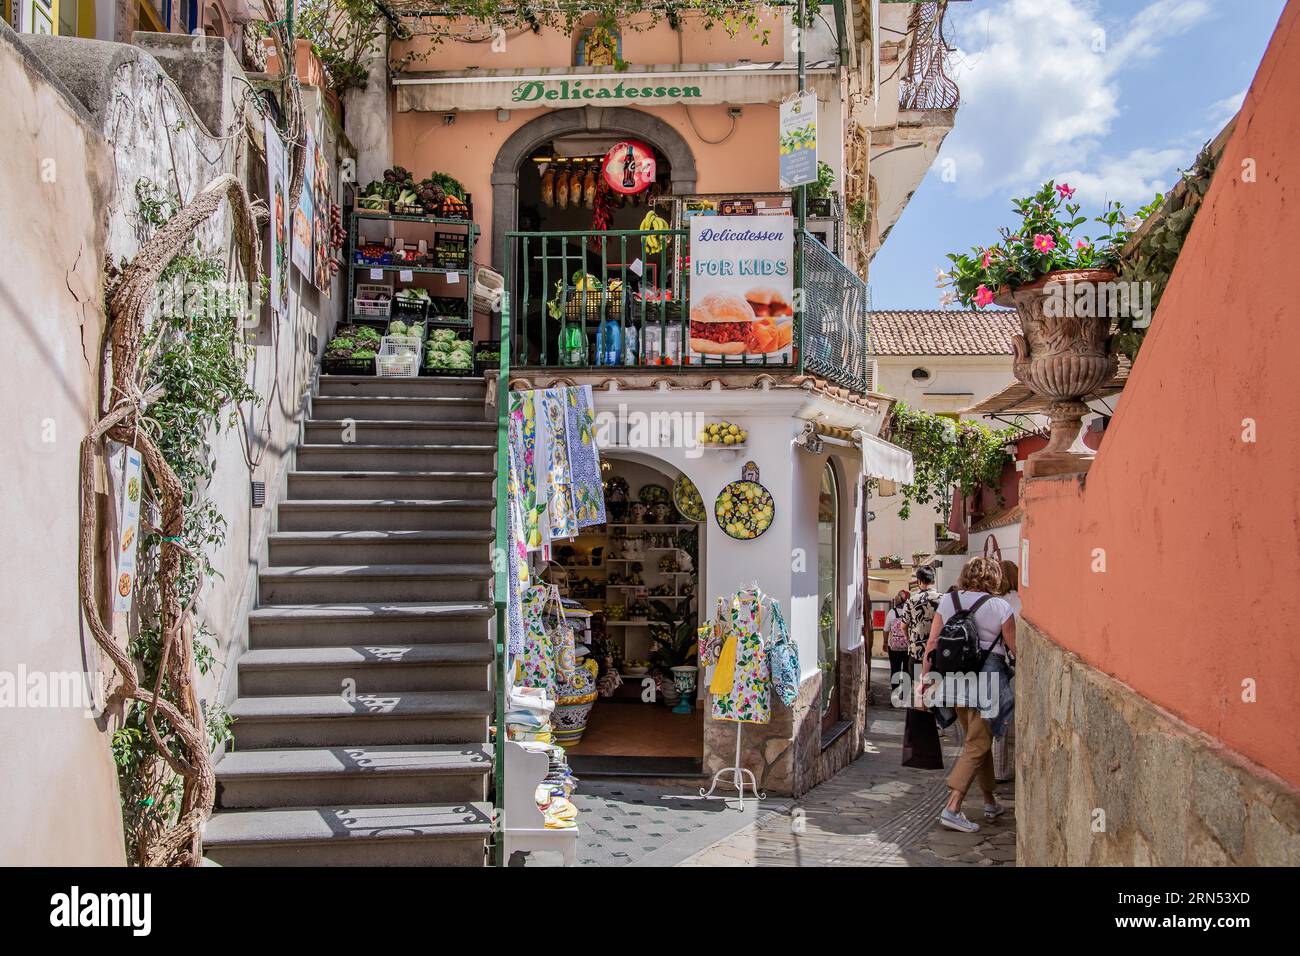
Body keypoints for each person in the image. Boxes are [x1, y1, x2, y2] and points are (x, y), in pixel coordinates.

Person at [922, 556, 1016, 833]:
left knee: (977, 740)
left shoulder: (949, 601)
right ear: (994, 578)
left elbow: (934, 641)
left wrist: (926, 678)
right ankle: (952, 807)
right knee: (977, 743)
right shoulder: (1001, 606)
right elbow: (1015, 648)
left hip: (955, 681)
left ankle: (989, 801)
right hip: (988, 683)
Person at [883, 589, 912, 686]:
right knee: (907, 672)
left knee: (895, 671)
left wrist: (885, 643)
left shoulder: (892, 612)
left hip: (894, 648)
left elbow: (886, 629)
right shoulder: (911, 611)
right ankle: (905, 697)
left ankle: (895, 697)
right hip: (908, 647)